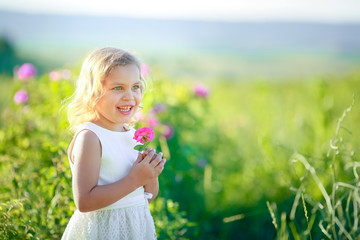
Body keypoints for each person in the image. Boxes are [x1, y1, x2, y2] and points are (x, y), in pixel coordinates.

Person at [62, 47, 166, 240]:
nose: (129, 96)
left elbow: (148, 197)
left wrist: (150, 174)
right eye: (118, 88)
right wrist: (134, 179)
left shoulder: (130, 134)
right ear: (93, 93)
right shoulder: (91, 137)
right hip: (102, 231)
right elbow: (84, 201)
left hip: (134, 229)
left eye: (135, 87)